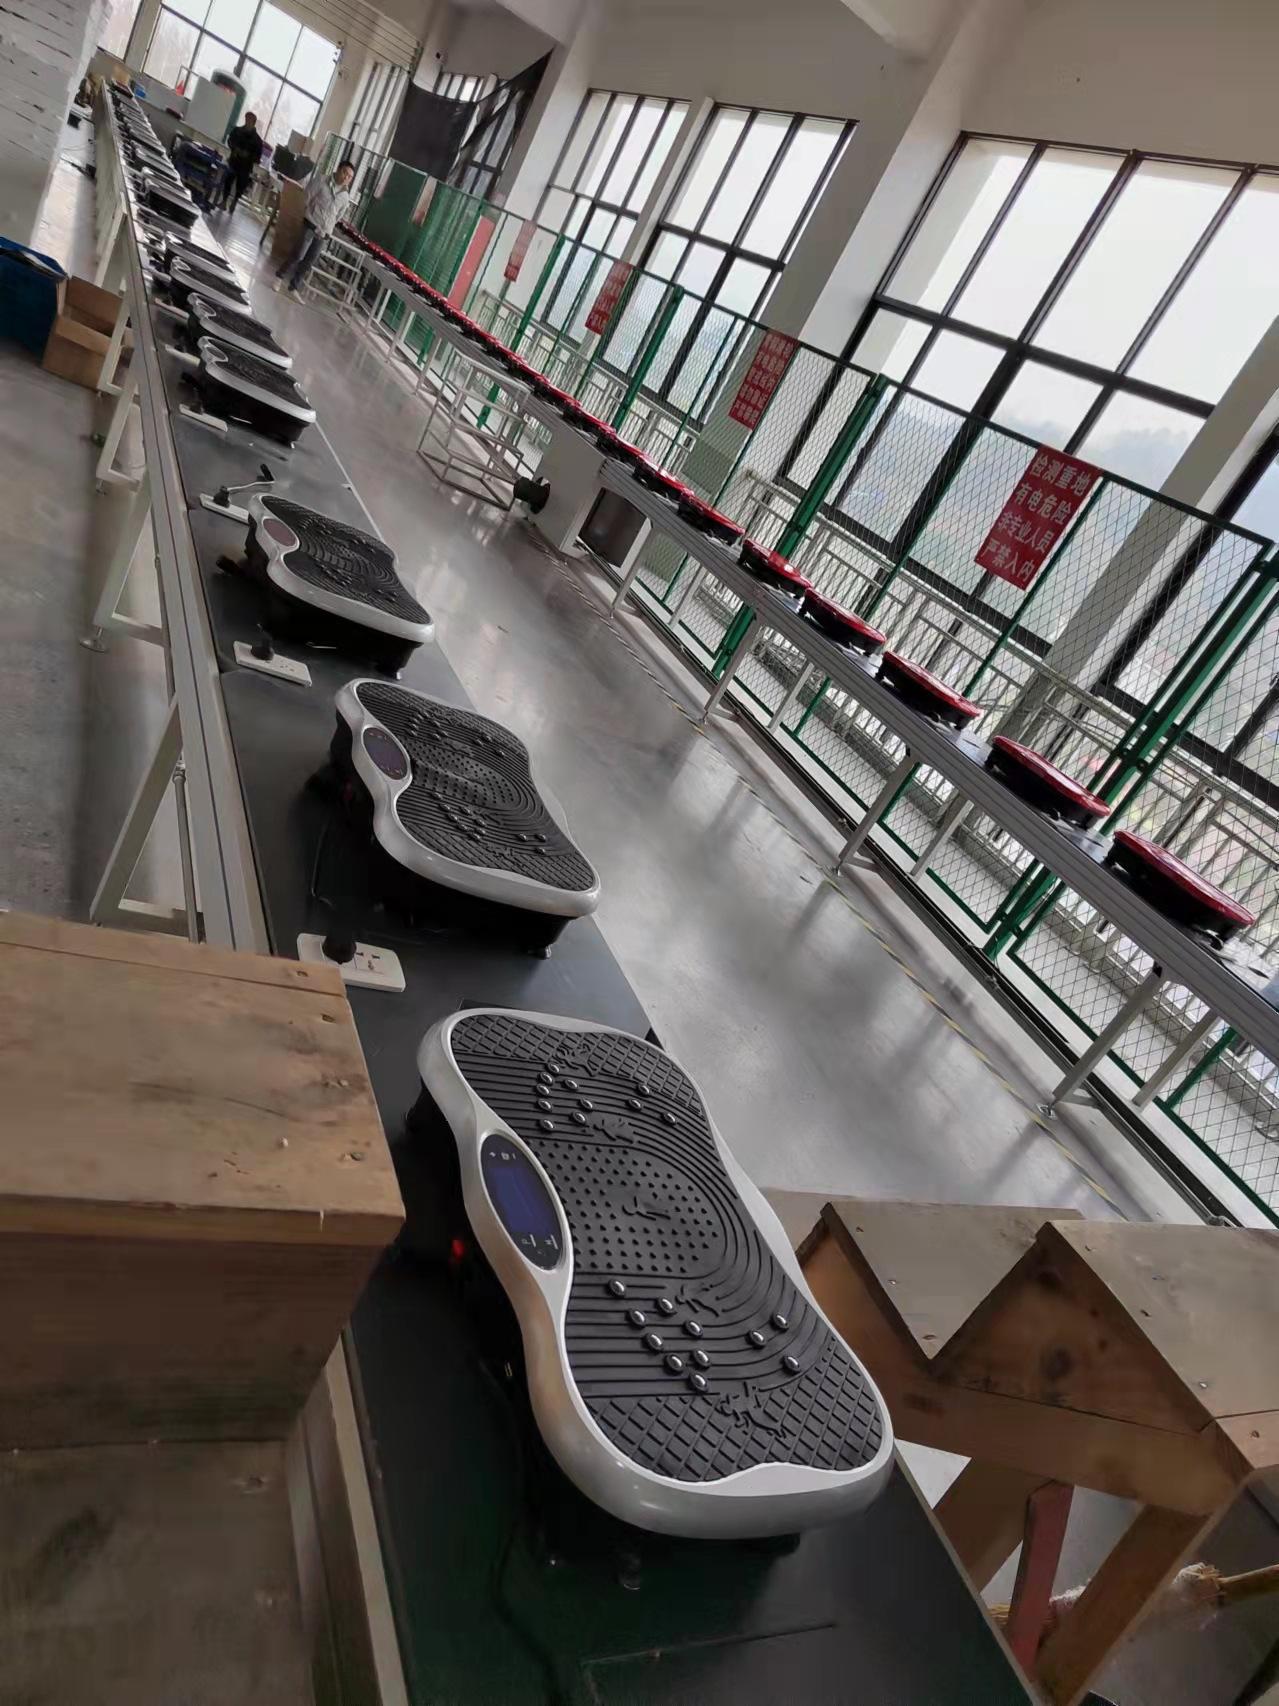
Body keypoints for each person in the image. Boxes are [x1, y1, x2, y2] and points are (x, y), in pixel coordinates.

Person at [273, 158, 356, 297]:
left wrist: (328, 225)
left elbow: (338, 216)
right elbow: (307, 196)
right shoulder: (321, 180)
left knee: (309, 261)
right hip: (310, 225)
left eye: (350, 177)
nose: (346, 178)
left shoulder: (345, 197)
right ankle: (279, 276)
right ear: (338, 169)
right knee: (298, 255)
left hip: (324, 232)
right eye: (344, 173)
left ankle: (294, 287)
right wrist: (310, 214)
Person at [218, 111, 264, 212]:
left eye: (250, 120)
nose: (247, 121)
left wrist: (248, 155)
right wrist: (235, 149)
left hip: (245, 166)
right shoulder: (237, 131)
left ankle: (234, 202)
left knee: (241, 186)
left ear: (253, 122)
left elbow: (258, 157)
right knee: (228, 181)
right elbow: (230, 141)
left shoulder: (257, 140)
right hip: (234, 161)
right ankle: (224, 201)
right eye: (246, 119)